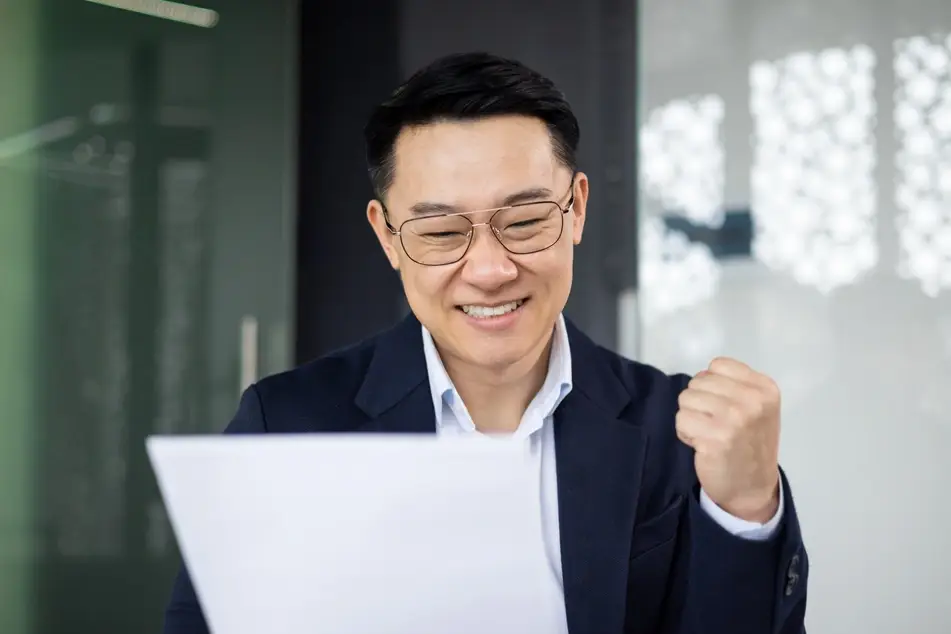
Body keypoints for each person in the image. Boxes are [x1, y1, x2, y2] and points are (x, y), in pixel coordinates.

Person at [164, 51, 808, 634]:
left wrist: (745, 508)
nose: (491, 269)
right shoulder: (287, 426)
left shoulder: (677, 431)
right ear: (388, 237)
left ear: (576, 209)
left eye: (525, 221)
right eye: (442, 232)